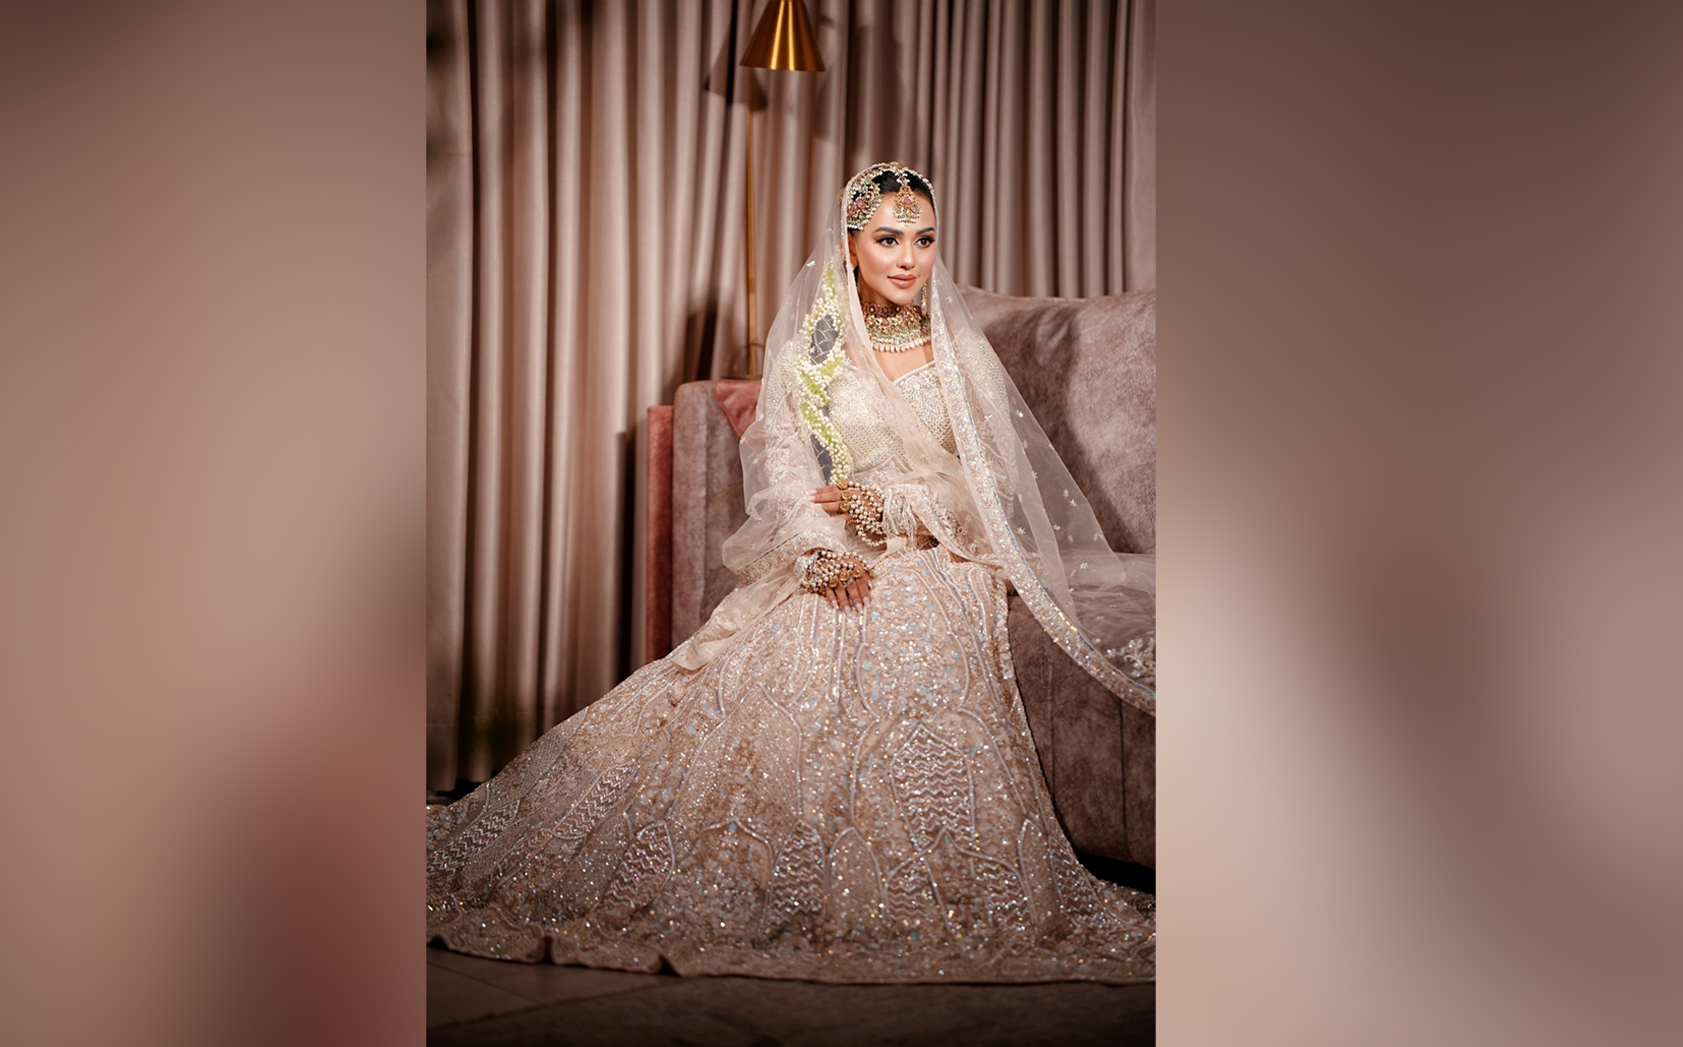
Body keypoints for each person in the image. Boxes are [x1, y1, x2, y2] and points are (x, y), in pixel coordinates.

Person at [427, 163, 1157, 983]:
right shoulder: (814, 346)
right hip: (833, 551)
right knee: (792, 641)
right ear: (850, 245)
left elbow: (993, 490)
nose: (908, 258)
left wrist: (892, 507)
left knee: (905, 623)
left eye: (922, 240)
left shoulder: (958, 351)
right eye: (888, 239)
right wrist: (818, 549)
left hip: (936, 555)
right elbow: (780, 463)